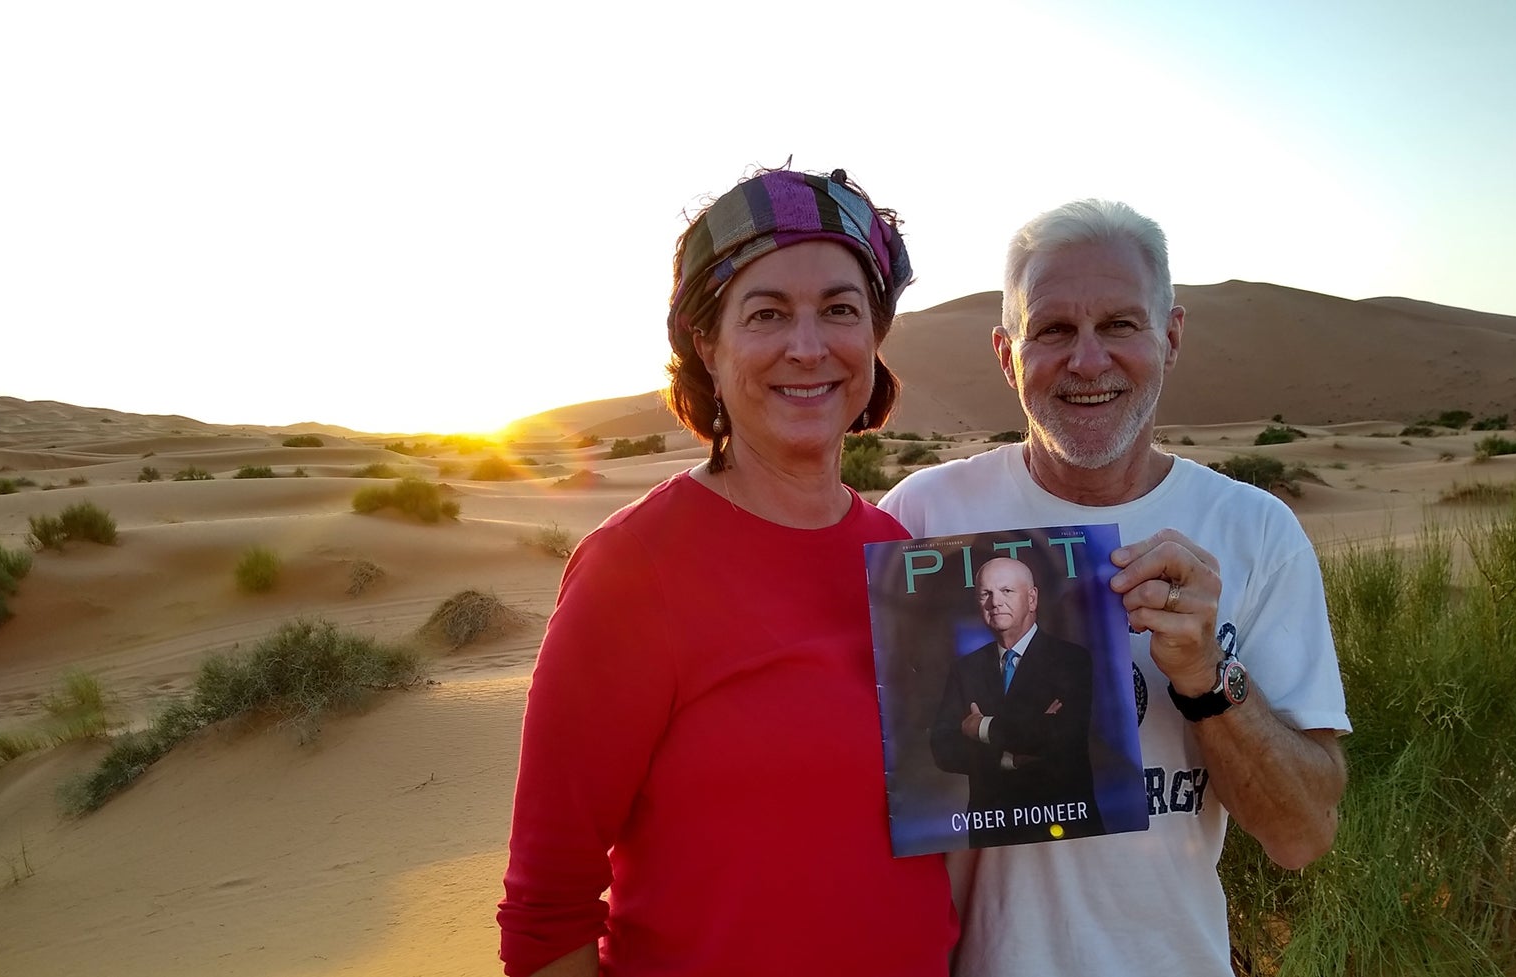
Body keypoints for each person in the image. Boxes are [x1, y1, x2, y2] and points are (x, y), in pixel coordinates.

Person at [496, 168, 958, 977]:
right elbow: (548, 904)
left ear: (874, 337)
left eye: (840, 309)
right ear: (707, 345)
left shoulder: (900, 555)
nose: (808, 347)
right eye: (767, 312)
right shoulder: (634, 570)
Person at [878, 198, 1349, 976]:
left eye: (1122, 325)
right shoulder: (922, 517)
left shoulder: (1255, 532)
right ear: (1006, 354)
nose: (1088, 361)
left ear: (1170, 337)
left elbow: (1302, 833)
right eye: (1053, 330)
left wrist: (1206, 679)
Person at [930, 556, 1101, 846]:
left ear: (1032, 599)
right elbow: (943, 747)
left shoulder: (1071, 660)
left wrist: (981, 728)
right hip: (991, 828)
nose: (994, 602)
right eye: (985, 594)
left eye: (1006, 591)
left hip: (1066, 825)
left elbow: (1060, 738)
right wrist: (1011, 757)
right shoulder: (965, 668)